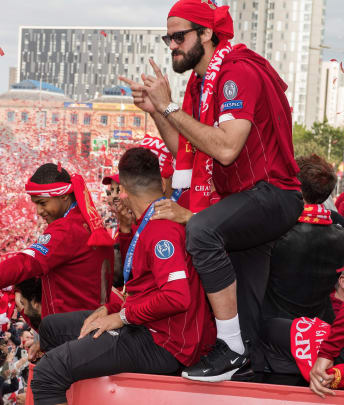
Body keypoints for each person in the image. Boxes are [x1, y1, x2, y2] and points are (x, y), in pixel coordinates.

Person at [121, 0, 303, 381]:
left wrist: (169, 104)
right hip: (245, 200)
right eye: (167, 37)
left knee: (201, 231)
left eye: (179, 36)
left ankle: (232, 348)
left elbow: (224, 147)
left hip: (272, 194)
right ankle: (248, 361)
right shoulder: (202, 82)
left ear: (207, 34)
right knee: (248, 316)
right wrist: (157, 111)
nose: (171, 45)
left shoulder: (236, 73)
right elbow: (187, 151)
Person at [30, 148, 215, 405]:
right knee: (51, 328)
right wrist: (108, 309)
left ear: (125, 189)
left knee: (47, 373)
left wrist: (122, 317)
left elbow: (176, 297)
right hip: (148, 327)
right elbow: (140, 288)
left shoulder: (160, 229)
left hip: (164, 342)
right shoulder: (147, 223)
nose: (114, 197)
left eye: (116, 190)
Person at [0, 163, 114, 320]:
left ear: (64, 197)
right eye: (36, 204)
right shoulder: (84, 222)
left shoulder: (67, 229)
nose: (39, 211)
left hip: (74, 330)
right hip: (85, 322)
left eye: (43, 203)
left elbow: (23, 264)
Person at [262, 155, 344, 324]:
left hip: (276, 326)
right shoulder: (339, 230)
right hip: (320, 324)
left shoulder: (274, 231)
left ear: (296, 187)